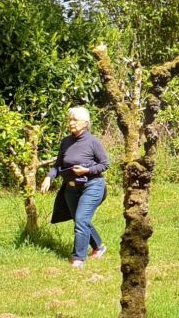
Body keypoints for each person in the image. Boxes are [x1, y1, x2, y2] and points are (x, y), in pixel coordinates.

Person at [49, 106, 111, 267]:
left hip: (93, 186)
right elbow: (58, 165)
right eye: (70, 120)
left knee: (81, 220)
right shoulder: (66, 142)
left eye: (75, 120)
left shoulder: (93, 142)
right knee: (80, 220)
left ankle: (78, 259)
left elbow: (105, 164)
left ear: (85, 123)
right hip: (71, 188)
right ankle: (99, 247)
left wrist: (87, 170)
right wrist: (49, 178)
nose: (71, 123)